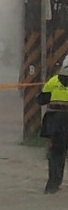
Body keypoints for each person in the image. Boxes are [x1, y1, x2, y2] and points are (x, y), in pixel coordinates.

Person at [37, 57, 68, 194]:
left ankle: (52, 185)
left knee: (56, 154)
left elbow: (41, 100)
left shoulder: (53, 80)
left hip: (55, 124)